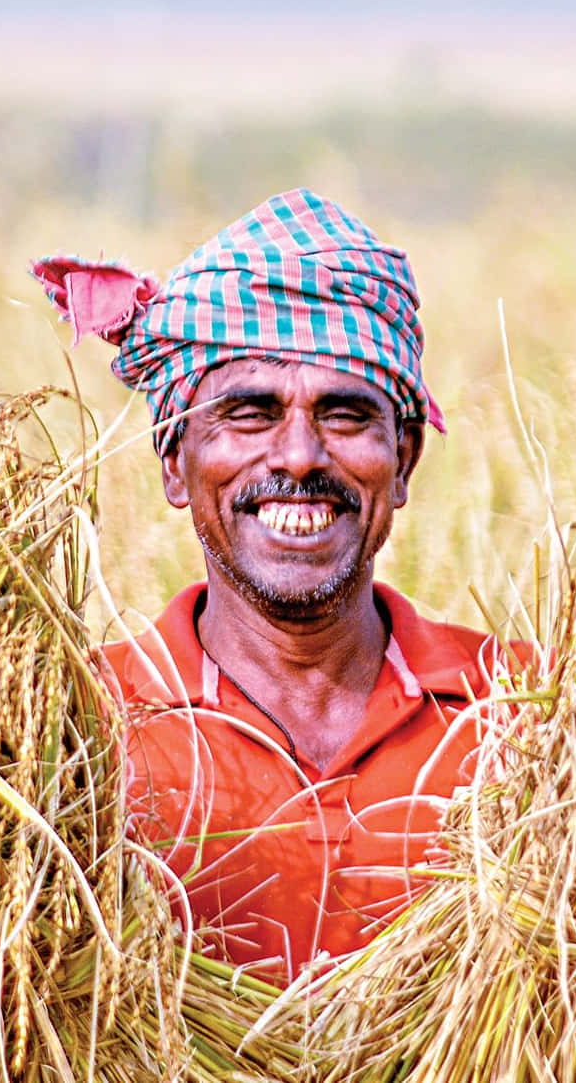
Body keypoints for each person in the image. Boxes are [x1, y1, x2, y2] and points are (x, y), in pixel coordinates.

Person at [32, 189, 528, 986]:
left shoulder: (530, 716)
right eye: (251, 413)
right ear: (173, 459)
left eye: (343, 414)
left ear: (402, 461)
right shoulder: (69, 735)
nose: (298, 456)